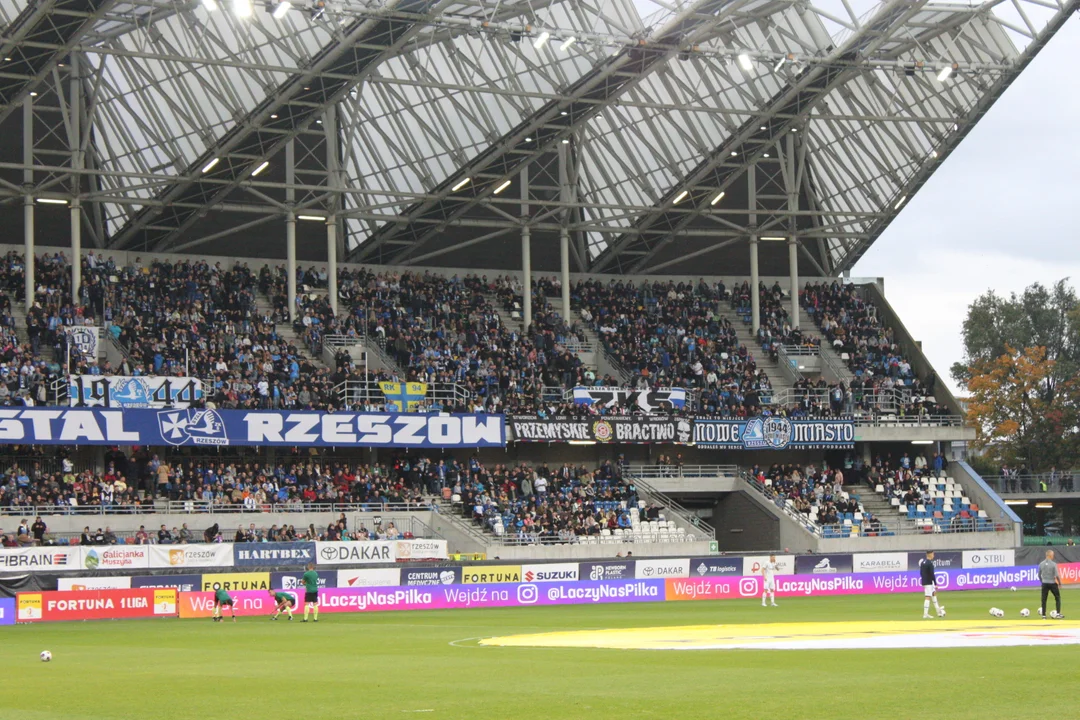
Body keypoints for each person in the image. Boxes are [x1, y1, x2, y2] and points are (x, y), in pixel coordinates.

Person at [1039, 549, 1063, 619]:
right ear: (1050, 555)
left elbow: (1039, 574)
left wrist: (1042, 581)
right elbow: (1057, 575)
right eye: (1053, 555)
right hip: (1052, 583)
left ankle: (1043, 615)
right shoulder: (1053, 564)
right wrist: (1059, 583)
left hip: (1044, 583)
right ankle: (1058, 614)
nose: (1053, 556)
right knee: (1057, 597)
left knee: (1044, 599)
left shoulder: (1041, 564)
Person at [920, 550, 945, 619]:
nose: (933, 555)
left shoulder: (923, 562)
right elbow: (932, 574)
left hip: (925, 581)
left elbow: (921, 573)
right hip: (929, 582)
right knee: (928, 597)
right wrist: (935, 583)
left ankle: (938, 612)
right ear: (930, 554)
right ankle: (925, 614)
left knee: (933, 594)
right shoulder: (930, 563)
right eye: (933, 554)